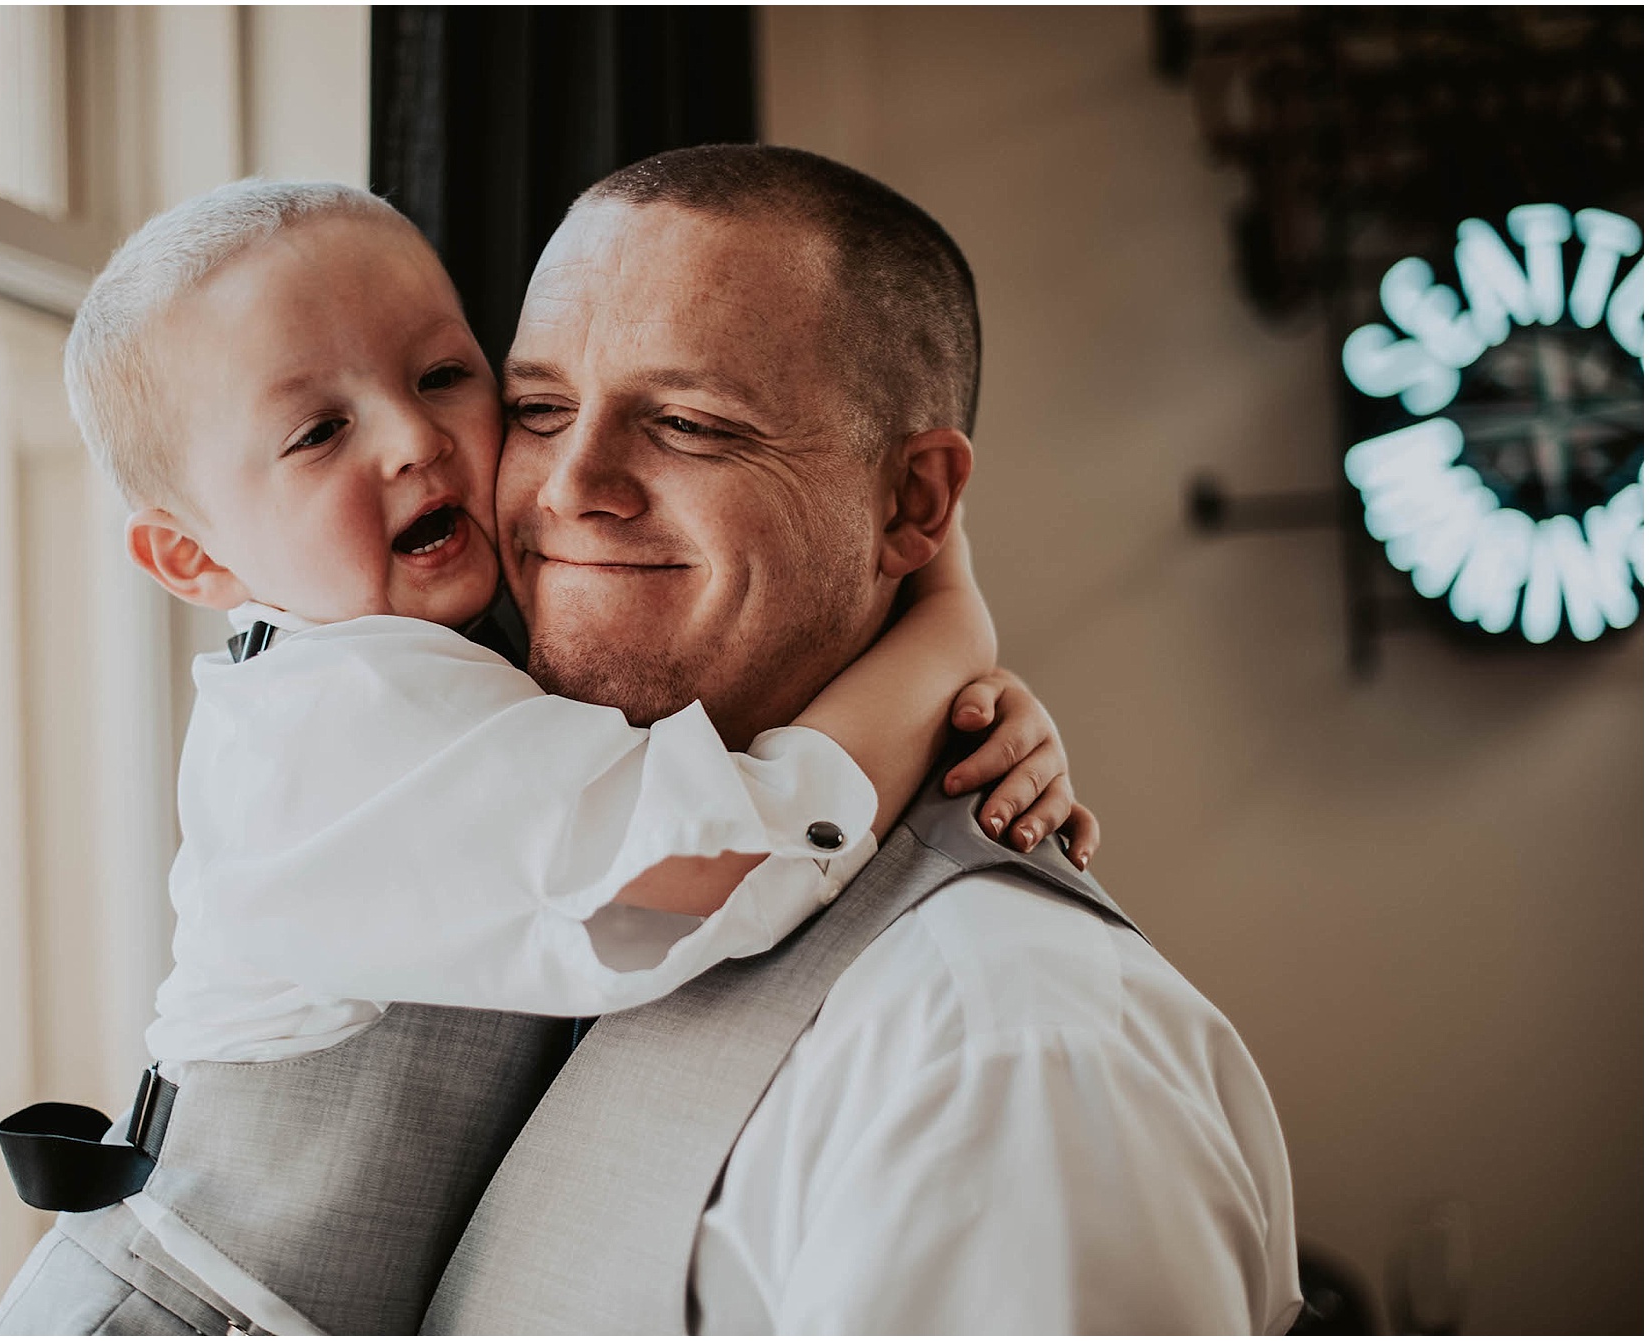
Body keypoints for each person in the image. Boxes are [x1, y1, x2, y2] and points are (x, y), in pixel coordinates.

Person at [0, 179, 1096, 1335]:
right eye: (319, 432)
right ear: (190, 557)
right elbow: (722, 856)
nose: (415, 441)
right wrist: (947, 629)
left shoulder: (419, 660)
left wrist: (963, 708)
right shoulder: (345, 722)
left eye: (444, 377)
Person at [418, 145, 1304, 1334]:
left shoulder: (1000, 1052)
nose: (568, 487)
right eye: (537, 410)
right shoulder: (520, 847)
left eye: (686, 423)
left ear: (913, 505)